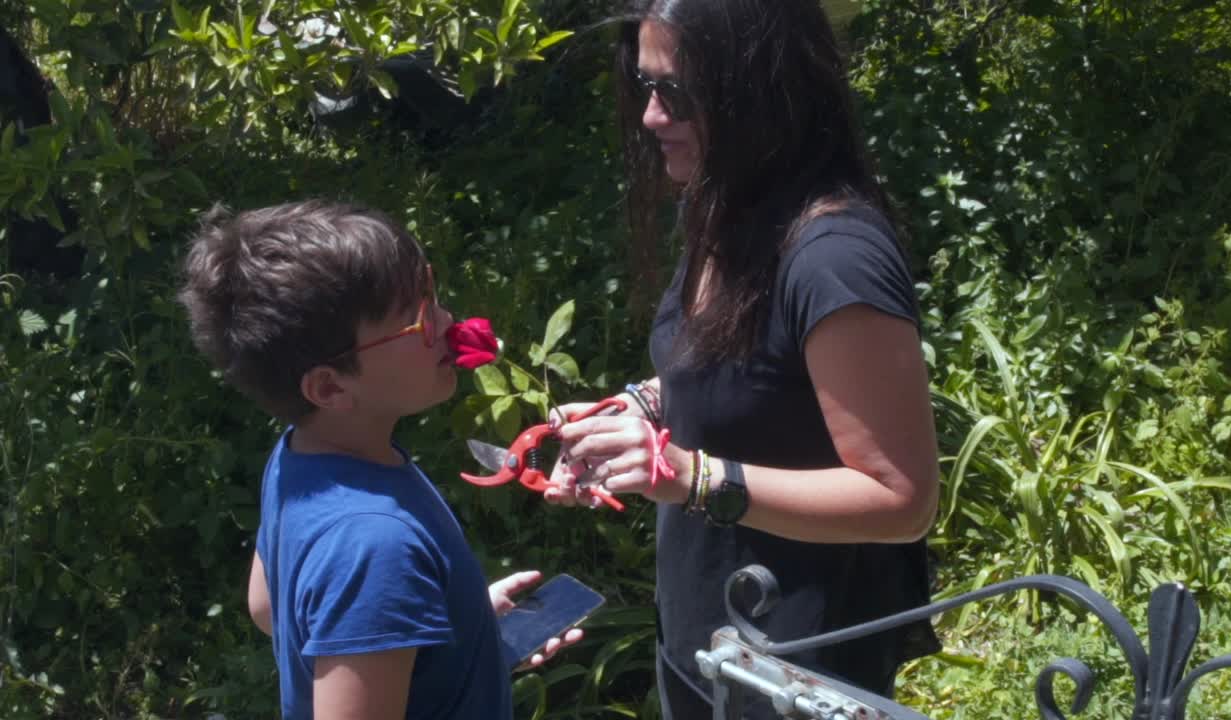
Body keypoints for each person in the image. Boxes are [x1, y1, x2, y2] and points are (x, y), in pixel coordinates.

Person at [544, 1, 941, 717]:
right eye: (645, 85)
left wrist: (691, 477)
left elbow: (902, 501)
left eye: (677, 93)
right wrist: (634, 408)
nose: (651, 116)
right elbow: (737, 371)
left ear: (761, 92)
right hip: (707, 638)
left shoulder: (834, 257)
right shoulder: (727, 204)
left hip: (800, 670)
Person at [178, 201, 579, 720]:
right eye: (418, 321)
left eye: (432, 295)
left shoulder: (296, 456)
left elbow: (267, 607)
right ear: (330, 387)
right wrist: (383, 606)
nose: (446, 321)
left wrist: (453, 635)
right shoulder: (374, 544)